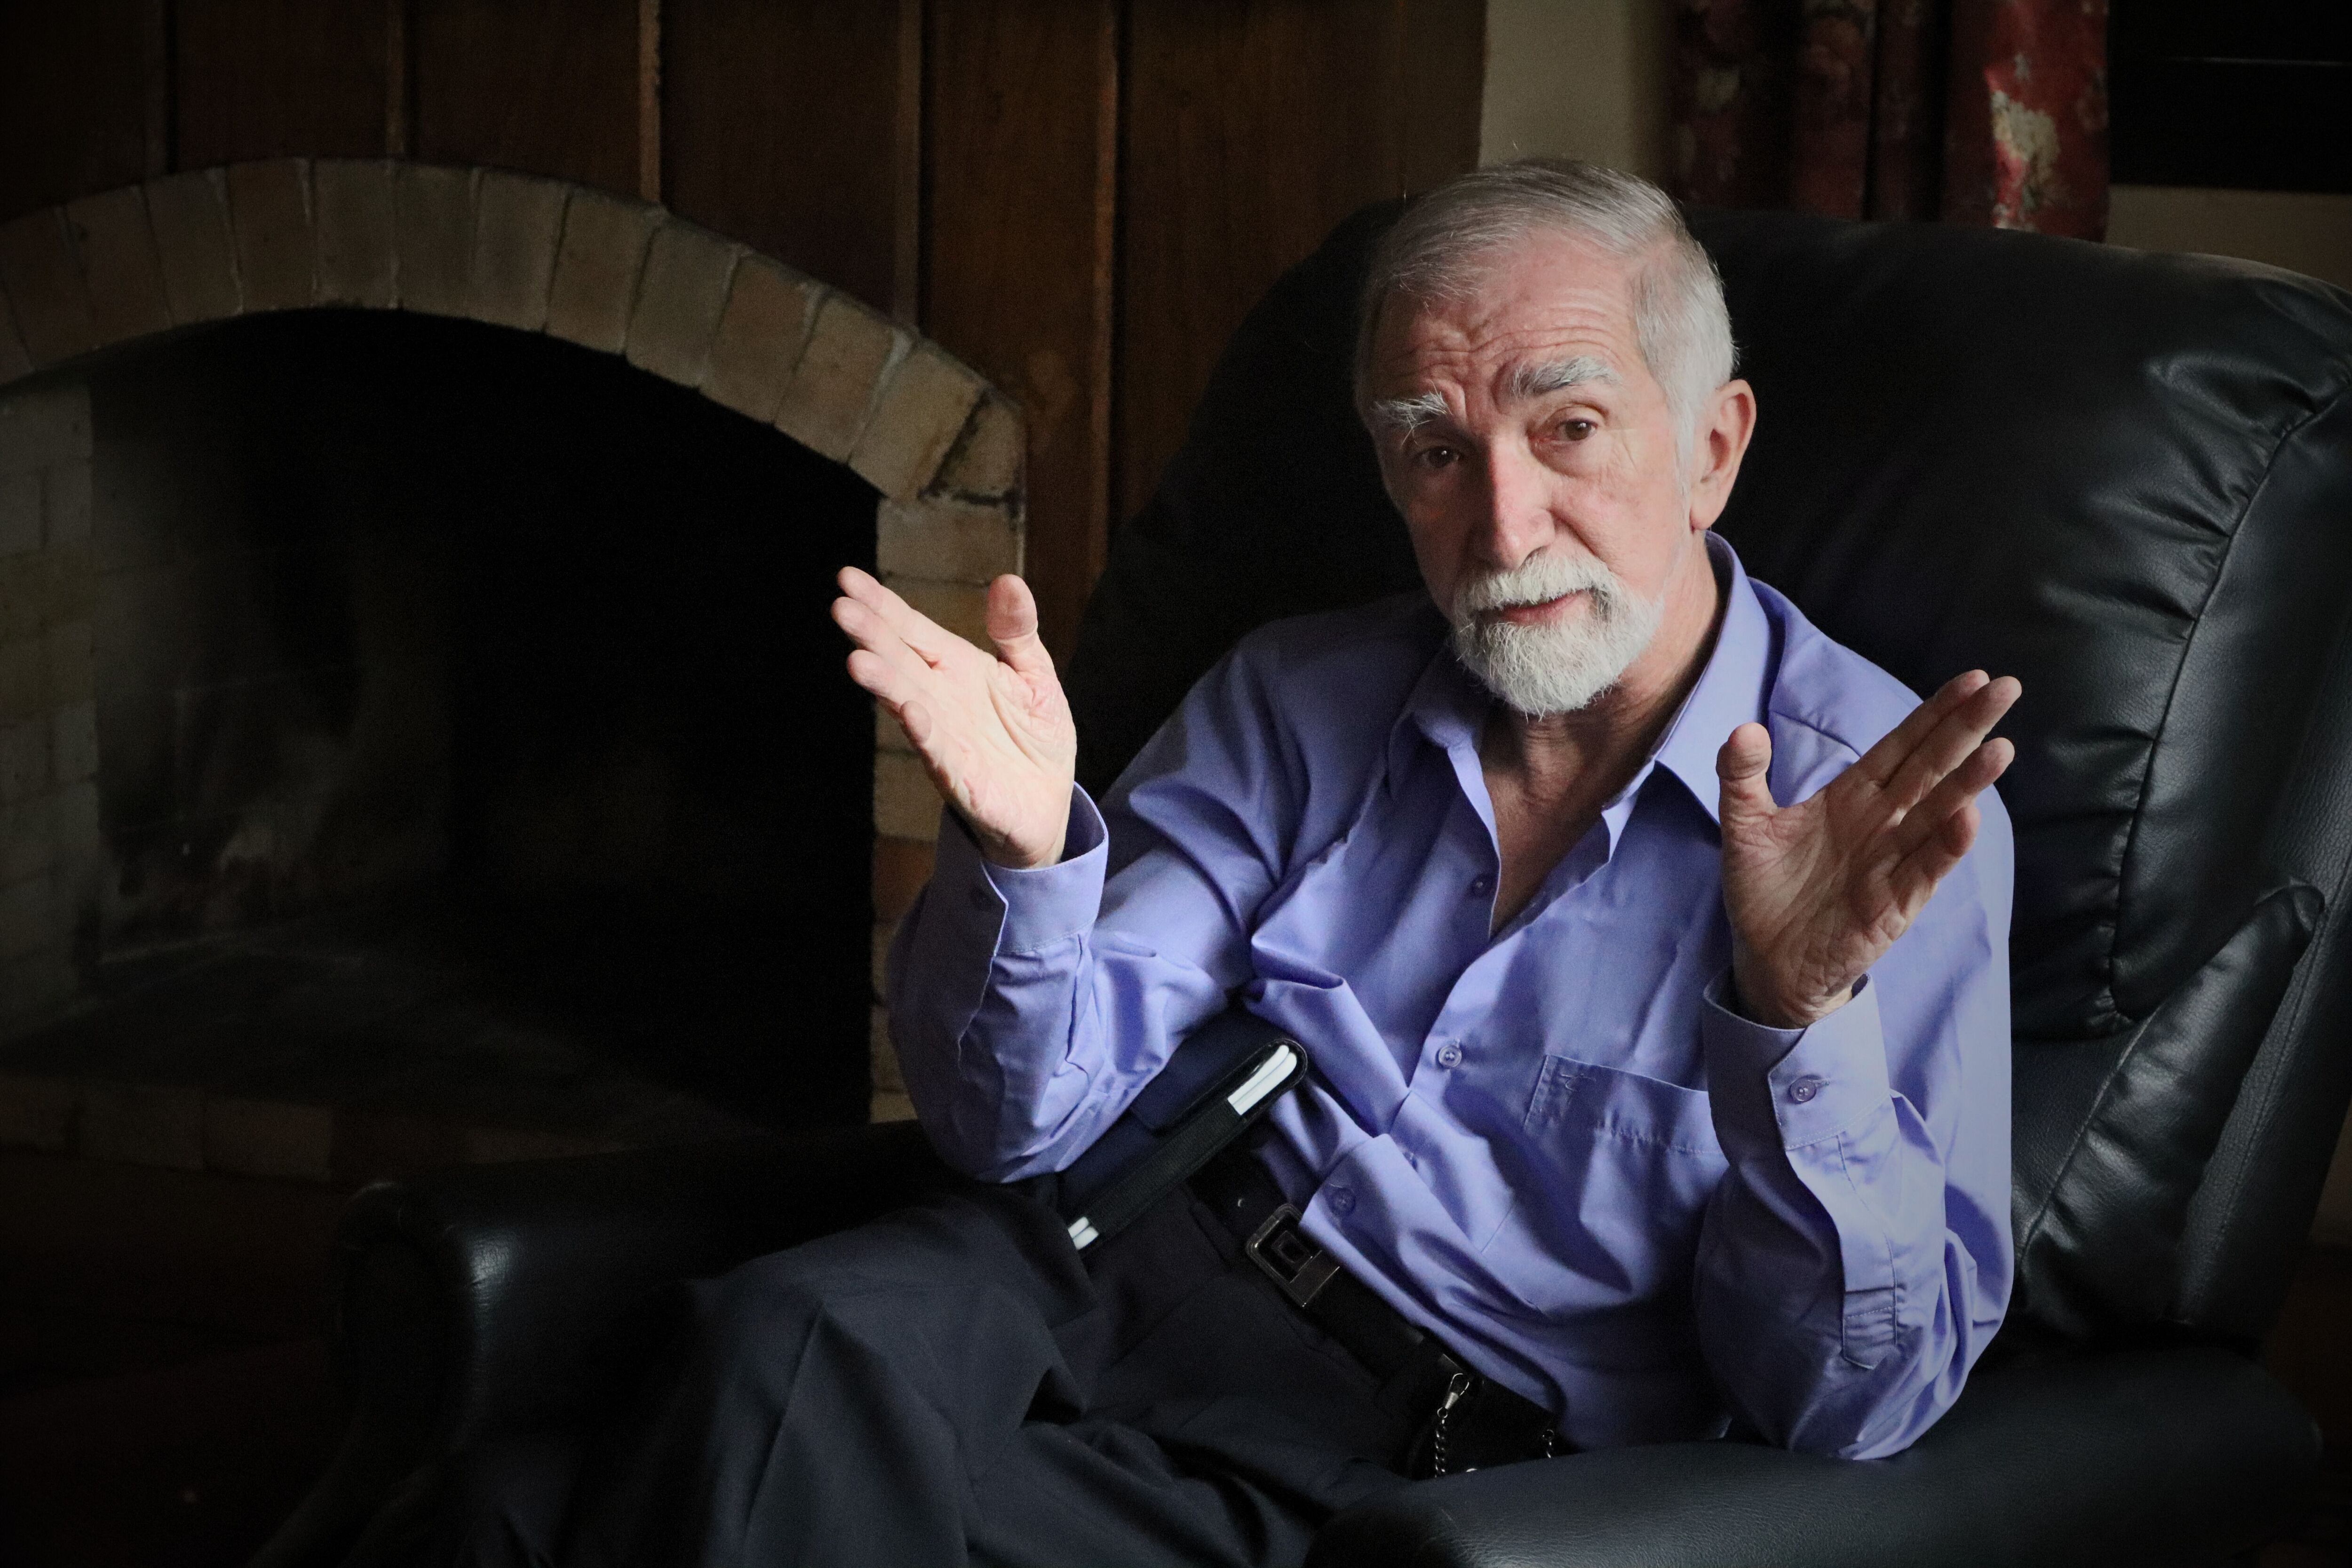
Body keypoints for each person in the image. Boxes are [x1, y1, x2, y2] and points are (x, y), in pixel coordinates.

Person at [456, 159, 2018, 1568]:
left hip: (1414, 1460)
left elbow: (1850, 1406)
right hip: (1110, 1252)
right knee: (786, 1344)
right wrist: (1021, 859)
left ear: (1712, 449)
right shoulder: (1298, 697)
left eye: (1570, 428)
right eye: (1433, 449)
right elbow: (1013, 1124)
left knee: (531, 1512)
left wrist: (1794, 1025)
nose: (1501, 523)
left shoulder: (1885, 819)